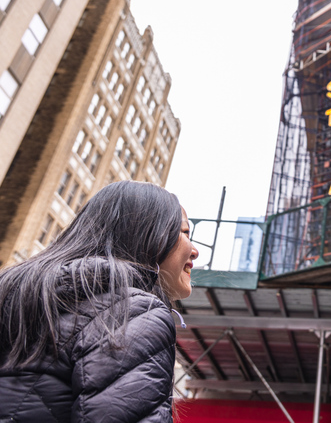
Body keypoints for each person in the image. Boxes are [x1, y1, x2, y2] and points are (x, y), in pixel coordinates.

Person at [0, 180, 199, 422]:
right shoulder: (134, 312)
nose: (195, 251)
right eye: (185, 232)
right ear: (150, 237)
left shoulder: (15, 294)